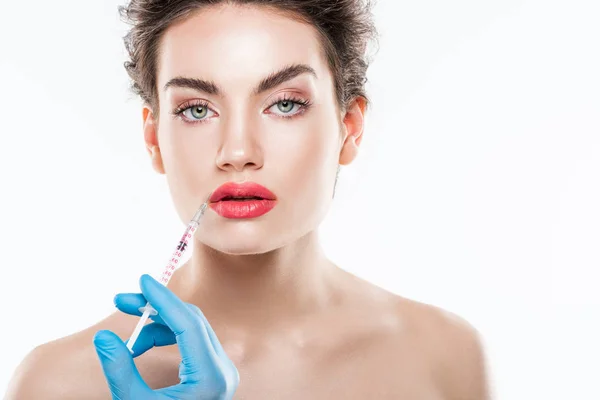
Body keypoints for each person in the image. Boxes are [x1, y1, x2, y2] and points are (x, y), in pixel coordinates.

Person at [5, 0, 491, 398]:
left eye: (285, 104)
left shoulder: (443, 358)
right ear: (154, 139)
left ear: (349, 127)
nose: (237, 152)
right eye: (197, 109)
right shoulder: (61, 384)